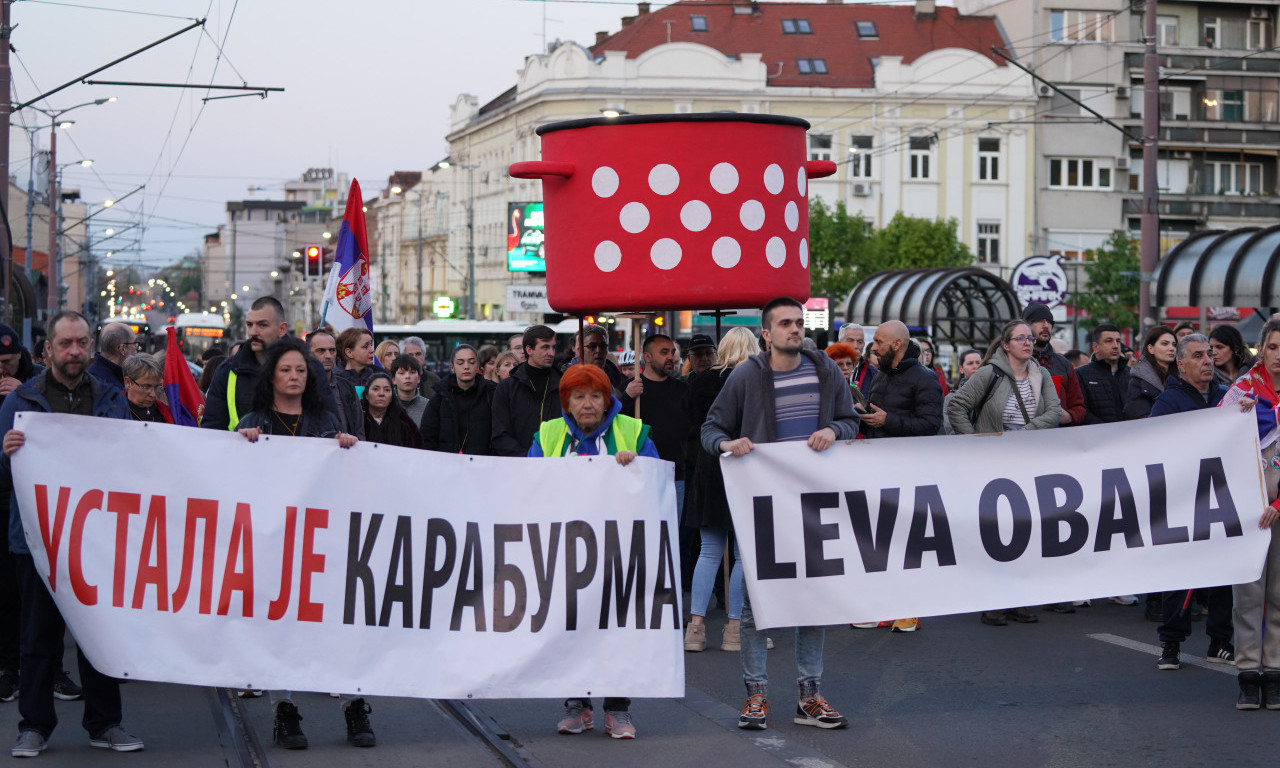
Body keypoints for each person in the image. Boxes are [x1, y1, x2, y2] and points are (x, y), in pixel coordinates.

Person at [702, 296, 859, 732]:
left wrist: (833, 429)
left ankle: (809, 697)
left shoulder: (825, 370)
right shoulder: (746, 375)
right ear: (766, 335)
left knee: (813, 601)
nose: (795, 329)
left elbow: (851, 422)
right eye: (786, 323)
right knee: (756, 605)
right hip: (764, 506)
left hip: (814, 505)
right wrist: (727, 444)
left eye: (799, 322)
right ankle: (757, 696)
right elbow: (710, 429)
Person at [0, 311, 143, 757]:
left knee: (97, 635)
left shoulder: (109, 397)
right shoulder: (21, 401)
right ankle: (34, 727)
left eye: (82, 342)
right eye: (66, 343)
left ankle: (105, 724)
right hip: (37, 541)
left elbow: (131, 462)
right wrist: (6, 454)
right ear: (47, 351)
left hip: (96, 541)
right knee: (37, 639)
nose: (75, 351)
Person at [232, 337, 369, 748]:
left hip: (321, 544)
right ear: (271, 375)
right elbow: (232, 478)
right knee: (280, 628)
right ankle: (284, 710)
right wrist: (241, 444)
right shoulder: (254, 421)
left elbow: (347, 479)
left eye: (300, 371)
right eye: (286, 369)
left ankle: (354, 704)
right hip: (274, 543)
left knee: (339, 624)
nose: (294, 376)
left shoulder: (326, 422)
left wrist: (346, 448)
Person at [529, 364, 659, 740]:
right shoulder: (548, 435)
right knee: (570, 628)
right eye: (579, 396)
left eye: (595, 396)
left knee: (616, 628)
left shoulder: (633, 433)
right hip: (564, 551)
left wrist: (636, 466)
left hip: (617, 552)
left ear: (608, 401)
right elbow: (529, 483)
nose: (587, 404)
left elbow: (655, 485)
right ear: (566, 402)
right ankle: (577, 704)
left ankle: (618, 709)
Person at [945, 320, 1063, 626]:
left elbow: (1053, 411)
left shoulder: (1041, 374)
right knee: (998, 534)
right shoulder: (989, 374)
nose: (1028, 342)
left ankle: (1020, 600)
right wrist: (977, 443)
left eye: (1029, 338)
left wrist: (1024, 432)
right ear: (1006, 345)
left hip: (1029, 463)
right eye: (1020, 338)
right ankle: (993, 601)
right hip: (993, 466)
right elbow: (956, 406)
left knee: (1027, 532)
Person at [1148, 334, 1237, 672]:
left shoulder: (1226, 398)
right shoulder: (1168, 403)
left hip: (1220, 498)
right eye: (1199, 356)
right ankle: (1171, 642)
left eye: (1210, 355)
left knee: (1222, 572)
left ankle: (1220, 641)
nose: (1208, 361)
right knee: (1180, 572)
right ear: (1181, 365)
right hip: (1183, 499)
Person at [858, 321, 943, 632]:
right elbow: (877, 421)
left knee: (909, 544)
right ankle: (883, 608)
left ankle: (910, 610)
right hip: (879, 468)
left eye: (879, 341)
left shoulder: (926, 379)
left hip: (910, 472)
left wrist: (886, 420)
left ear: (896, 345)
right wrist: (864, 417)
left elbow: (931, 425)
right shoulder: (880, 377)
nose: (873, 347)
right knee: (880, 542)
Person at [685, 328, 756, 653]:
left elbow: (693, 426)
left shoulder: (700, 382)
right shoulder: (753, 381)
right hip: (744, 468)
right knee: (743, 555)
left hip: (708, 468)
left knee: (709, 550)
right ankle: (733, 628)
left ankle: (695, 628)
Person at [620, 334, 692, 598]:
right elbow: (612, 421)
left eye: (672, 352)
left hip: (676, 475)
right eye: (664, 352)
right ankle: (639, 597)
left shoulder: (682, 390)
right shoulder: (633, 389)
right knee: (641, 538)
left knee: (671, 539)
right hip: (640, 474)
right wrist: (626, 396)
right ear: (646, 357)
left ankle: (668, 600)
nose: (671, 357)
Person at [203, 297, 336, 431]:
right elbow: (212, 432)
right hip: (243, 451)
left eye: (262, 325)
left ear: (282, 329)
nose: (253, 332)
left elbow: (330, 424)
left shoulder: (310, 366)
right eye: (250, 325)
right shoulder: (228, 370)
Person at [491, 325, 561, 456]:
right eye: (545, 347)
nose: (551, 353)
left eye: (553, 347)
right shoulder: (506, 388)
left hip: (557, 465)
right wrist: (526, 458)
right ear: (529, 349)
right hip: (519, 466)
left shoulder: (564, 385)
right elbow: (500, 434)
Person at [421, 344, 495, 455]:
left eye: (471, 362)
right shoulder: (440, 398)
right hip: (447, 465)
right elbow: (428, 437)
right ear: (452, 367)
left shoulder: (492, 394)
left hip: (483, 465)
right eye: (460, 363)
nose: (466, 366)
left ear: (478, 366)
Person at [1022, 304, 1086, 427]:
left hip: (1058, 438)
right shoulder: (1014, 361)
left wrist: (1068, 416)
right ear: (1026, 326)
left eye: (1049, 321)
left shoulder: (1064, 364)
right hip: (1021, 438)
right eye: (1040, 321)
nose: (1046, 325)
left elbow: (1079, 408)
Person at [305, 328, 365, 440]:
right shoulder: (299, 388)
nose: (328, 355)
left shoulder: (347, 387)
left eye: (332, 350)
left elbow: (359, 429)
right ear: (308, 353)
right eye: (321, 351)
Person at [1078, 323, 1129, 426]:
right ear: (1095, 347)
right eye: (1109, 341)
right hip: (1099, 437)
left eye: (1118, 341)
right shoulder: (1081, 374)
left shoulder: (1132, 374)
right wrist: (1106, 430)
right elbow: (1082, 411)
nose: (1115, 346)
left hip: (1132, 436)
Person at [1125, 325, 1176, 420]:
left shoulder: (1181, 377)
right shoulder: (1138, 380)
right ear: (1150, 348)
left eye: (1174, 344)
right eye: (1165, 344)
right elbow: (1137, 416)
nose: (1171, 348)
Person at [360, 371, 423, 448]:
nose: (381, 394)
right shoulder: (356, 419)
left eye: (387, 390)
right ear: (366, 395)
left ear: (391, 397)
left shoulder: (404, 422)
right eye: (376, 389)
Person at [87, 321, 138, 396]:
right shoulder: (110, 387)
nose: (136, 347)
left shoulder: (93, 374)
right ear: (123, 349)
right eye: (134, 343)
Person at [122, 353, 167, 423]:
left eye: (156, 387)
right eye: (146, 387)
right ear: (128, 382)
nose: (153, 394)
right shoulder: (113, 413)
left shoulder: (165, 413)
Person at [0, 325, 40, 399]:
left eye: (6, 361)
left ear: (19, 354)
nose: (1, 370)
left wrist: (26, 393)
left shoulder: (42, 378)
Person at [389, 354, 429, 427]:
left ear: (419, 378)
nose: (407, 376)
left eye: (412, 372)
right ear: (393, 379)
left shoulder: (428, 406)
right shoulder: (386, 404)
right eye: (402, 373)